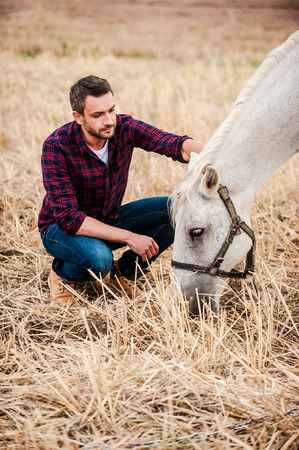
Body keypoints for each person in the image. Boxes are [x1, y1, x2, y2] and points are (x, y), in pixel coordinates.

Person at [38, 75, 204, 306]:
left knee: (178, 209)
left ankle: (123, 273)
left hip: (108, 219)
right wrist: (130, 237)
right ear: (78, 117)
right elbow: (69, 219)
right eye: (97, 115)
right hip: (60, 229)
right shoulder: (56, 146)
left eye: (111, 110)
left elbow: (173, 144)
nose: (109, 121)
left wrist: (213, 155)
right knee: (98, 260)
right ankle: (62, 274)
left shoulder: (125, 128)